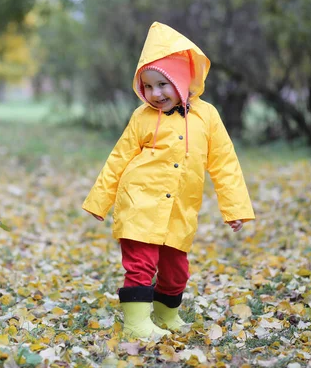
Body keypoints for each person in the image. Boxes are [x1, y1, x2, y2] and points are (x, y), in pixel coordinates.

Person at [82, 22, 255, 340]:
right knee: (141, 264)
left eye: (162, 84)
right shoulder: (142, 117)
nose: (155, 93)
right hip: (140, 204)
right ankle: (136, 323)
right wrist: (100, 200)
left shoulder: (208, 117)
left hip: (179, 209)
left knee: (177, 271)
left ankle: (165, 314)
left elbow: (224, 163)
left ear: (182, 79)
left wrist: (235, 208)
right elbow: (118, 158)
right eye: (147, 86)